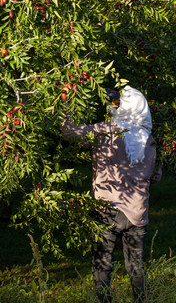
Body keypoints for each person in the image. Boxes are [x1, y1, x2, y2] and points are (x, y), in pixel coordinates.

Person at [61, 85, 158, 303]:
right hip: (137, 211)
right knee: (137, 266)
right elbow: (155, 175)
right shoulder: (148, 138)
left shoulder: (107, 130)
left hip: (108, 208)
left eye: (116, 103)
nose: (112, 106)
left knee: (102, 265)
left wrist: (65, 103)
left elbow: (70, 133)